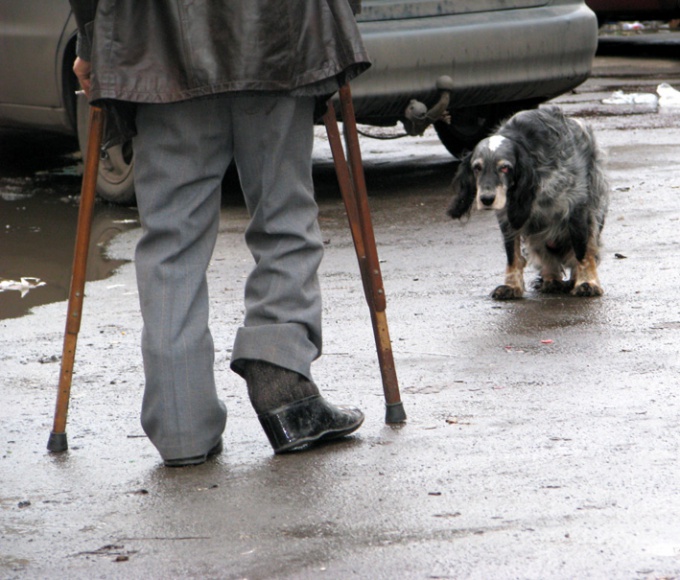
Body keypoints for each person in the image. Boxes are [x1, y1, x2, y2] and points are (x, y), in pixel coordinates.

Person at [70, 0, 370, 466]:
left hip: (156, 46)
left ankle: (181, 426)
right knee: (283, 213)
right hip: (281, 32)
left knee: (172, 239)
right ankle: (283, 384)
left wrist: (93, 38)